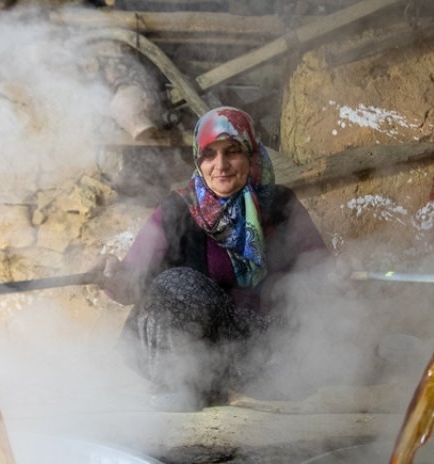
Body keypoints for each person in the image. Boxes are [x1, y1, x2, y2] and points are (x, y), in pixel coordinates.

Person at [95, 106, 334, 411]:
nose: (220, 165)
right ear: (199, 159)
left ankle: (377, 353)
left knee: (298, 367)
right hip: (189, 353)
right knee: (179, 285)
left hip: (258, 346)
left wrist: (338, 276)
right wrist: (112, 277)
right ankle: (185, 385)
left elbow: (320, 269)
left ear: (251, 154)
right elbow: (131, 282)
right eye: (209, 154)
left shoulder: (280, 205)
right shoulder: (177, 209)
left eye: (232, 151)